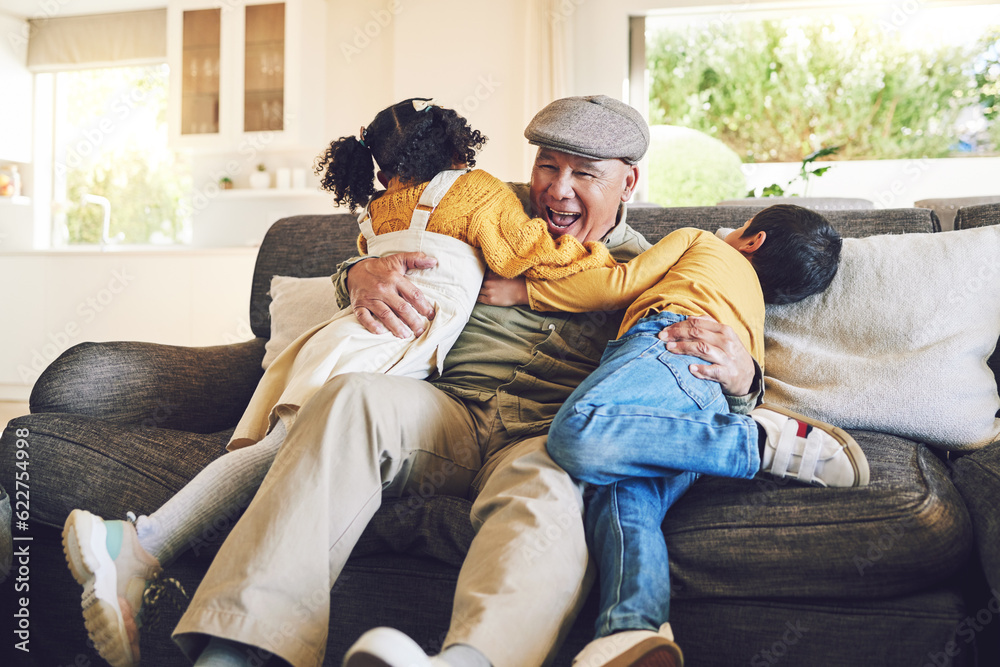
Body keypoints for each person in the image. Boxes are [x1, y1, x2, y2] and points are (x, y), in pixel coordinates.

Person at [60, 96, 622, 667]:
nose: (558, 189)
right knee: (349, 395)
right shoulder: (485, 200)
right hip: (438, 407)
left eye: (586, 174)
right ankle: (235, 653)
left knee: (552, 490)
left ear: (629, 183)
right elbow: (397, 248)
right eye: (548, 166)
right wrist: (356, 274)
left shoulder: (648, 267)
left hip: (541, 433)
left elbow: (688, 345)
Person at [536, 205, 870, 666]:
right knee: (624, 498)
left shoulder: (702, 240)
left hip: (669, 346)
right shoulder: (751, 316)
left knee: (579, 430)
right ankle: (633, 630)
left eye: (743, 226)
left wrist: (525, 289)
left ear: (754, 240)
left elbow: (618, 284)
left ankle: (754, 444)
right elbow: (741, 391)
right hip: (708, 403)